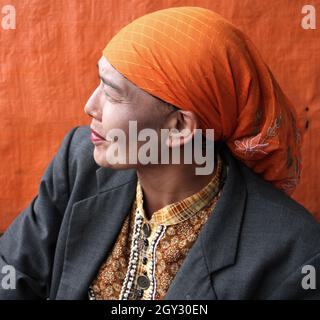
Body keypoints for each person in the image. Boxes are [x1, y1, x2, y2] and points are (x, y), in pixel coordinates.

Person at [0, 6, 320, 300]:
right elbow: (13, 275)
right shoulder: (79, 162)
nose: (90, 106)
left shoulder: (292, 253)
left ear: (180, 127)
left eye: (111, 94)